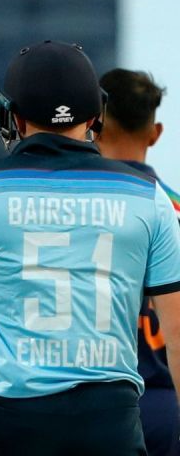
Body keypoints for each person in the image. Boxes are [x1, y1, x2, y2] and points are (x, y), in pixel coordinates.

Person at [0, 41, 180, 455]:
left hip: (0, 419)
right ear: (95, 116)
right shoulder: (148, 197)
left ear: (13, 116)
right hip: (106, 420)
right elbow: (176, 331)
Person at [96, 68, 180, 456]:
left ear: (92, 127)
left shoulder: (73, 212)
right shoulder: (174, 211)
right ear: (156, 132)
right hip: (168, 402)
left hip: (98, 403)